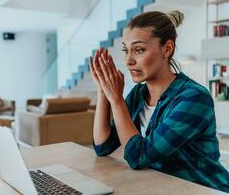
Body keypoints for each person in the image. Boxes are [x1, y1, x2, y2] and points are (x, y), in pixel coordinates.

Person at [89, 10, 229, 192]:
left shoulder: (194, 98)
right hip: (163, 188)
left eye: (138, 50)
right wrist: (103, 91)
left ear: (167, 48)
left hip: (205, 190)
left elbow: (138, 156)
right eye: (126, 50)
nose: (129, 60)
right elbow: (103, 146)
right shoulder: (139, 94)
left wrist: (116, 99)